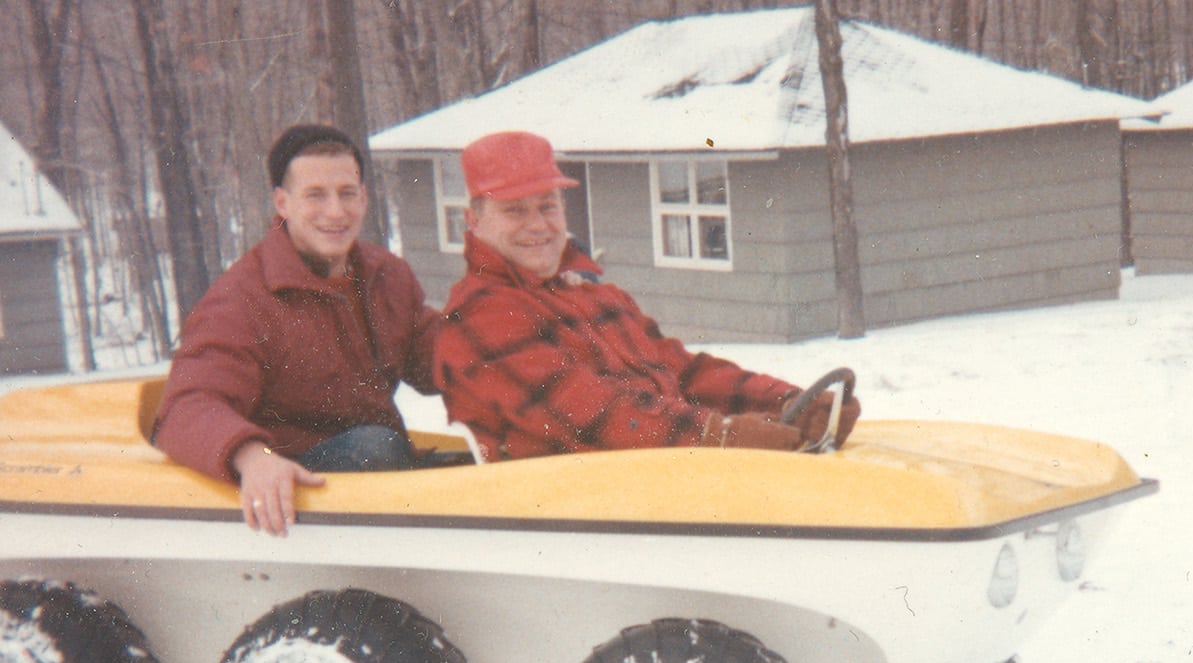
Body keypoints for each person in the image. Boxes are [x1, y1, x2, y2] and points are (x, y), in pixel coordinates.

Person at [434, 130, 860, 462]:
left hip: (658, 482)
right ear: (473, 221)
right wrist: (722, 436)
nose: (537, 225)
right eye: (514, 210)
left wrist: (786, 401)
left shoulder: (600, 299)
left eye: (548, 206)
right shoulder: (480, 316)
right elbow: (598, 416)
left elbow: (686, 376)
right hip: (572, 515)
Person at [152, 124, 444, 536]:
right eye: (315, 196)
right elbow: (187, 406)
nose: (336, 212)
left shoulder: (385, 276)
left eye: (346, 193)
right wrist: (252, 457)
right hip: (293, 493)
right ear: (282, 203)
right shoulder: (244, 298)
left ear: (364, 197)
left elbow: (442, 356)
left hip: (377, 471)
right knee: (376, 447)